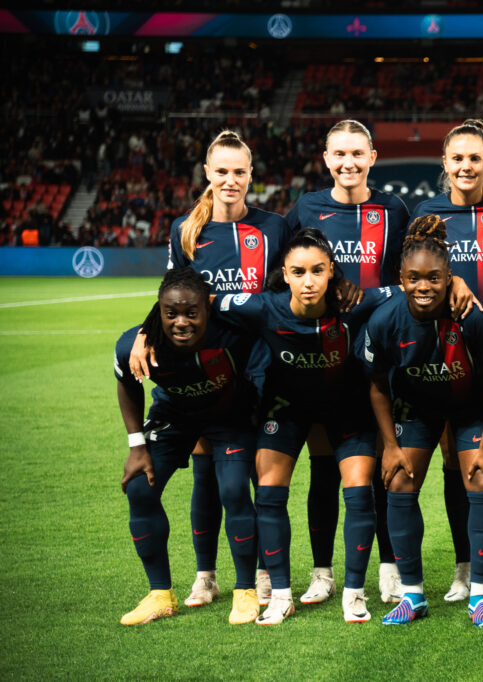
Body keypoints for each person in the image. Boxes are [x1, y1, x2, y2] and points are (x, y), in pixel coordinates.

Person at [286, 120, 479, 605]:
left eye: (357, 153)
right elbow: (285, 270)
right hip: (325, 355)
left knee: (384, 465)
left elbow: (418, 266)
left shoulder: (393, 209)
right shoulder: (306, 208)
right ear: (326, 159)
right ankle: (322, 572)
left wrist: (453, 280)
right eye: (339, 154)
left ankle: (391, 566)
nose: (348, 162)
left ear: (372, 157)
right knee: (324, 465)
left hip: (386, 354)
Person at [135, 130, 290, 610]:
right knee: (206, 473)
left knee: (250, 475)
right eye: (221, 171)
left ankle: (262, 573)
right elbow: (171, 294)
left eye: (239, 171)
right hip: (204, 371)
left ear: (251, 175)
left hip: (259, 368)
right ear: (207, 173)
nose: (230, 180)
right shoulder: (186, 229)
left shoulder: (273, 227)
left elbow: (281, 293)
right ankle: (206, 577)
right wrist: (144, 331)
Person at [215, 228, 395, 625]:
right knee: (268, 493)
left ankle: (354, 594)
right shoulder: (265, 307)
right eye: (298, 272)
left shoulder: (354, 304)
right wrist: (145, 332)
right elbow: (203, 301)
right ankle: (280, 596)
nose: (308, 281)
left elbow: (409, 291)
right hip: (287, 408)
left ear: (332, 270)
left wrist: (456, 284)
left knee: (359, 494)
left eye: (317, 270)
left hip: (347, 407)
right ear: (285, 274)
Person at [362, 215, 483, 627]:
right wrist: (390, 446)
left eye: (434, 278)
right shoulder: (385, 321)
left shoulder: (474, 319)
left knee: (482, 478)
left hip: (470, 407)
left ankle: (480, 597)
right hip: (417, 408)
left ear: (449, 277)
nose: (423, 286)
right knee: (398, 480)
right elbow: (377, 386)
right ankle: (413, 595)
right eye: (414, 278)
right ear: (400, 279)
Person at [412, 119, 483, 607]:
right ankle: (464, 566)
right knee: (451, 459)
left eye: (474, 158)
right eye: (457, 158)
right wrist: (455, 280)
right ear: (445, 163)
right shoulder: (427, 215)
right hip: (443, 351)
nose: (465, 166)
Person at [116, 268, 259, 626]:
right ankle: (160, 595)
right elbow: (128, 383)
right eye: (171, 313)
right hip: (175, 414)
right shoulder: (136, 345)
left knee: (233, 489)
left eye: (191, 313)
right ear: (159, 311)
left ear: (207, 309)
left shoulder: (233, 332)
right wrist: (136, 446)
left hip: (230, 415)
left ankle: (246, 591)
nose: (181, 322)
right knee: (140, 488)